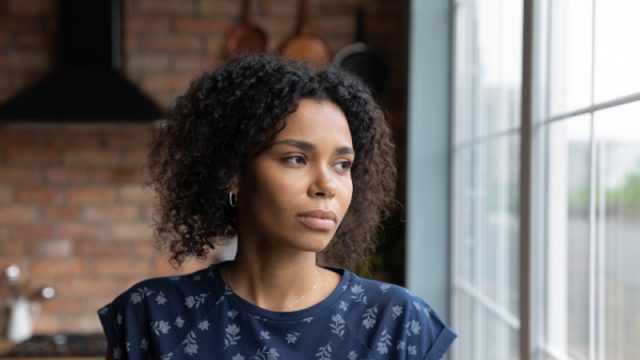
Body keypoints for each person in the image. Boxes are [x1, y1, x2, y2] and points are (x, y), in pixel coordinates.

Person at [97, 53, 456, 360]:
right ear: (232, 173)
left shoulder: (397, 323)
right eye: (297, 158)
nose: (326, 185)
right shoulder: (150, 315)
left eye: (342, 165)